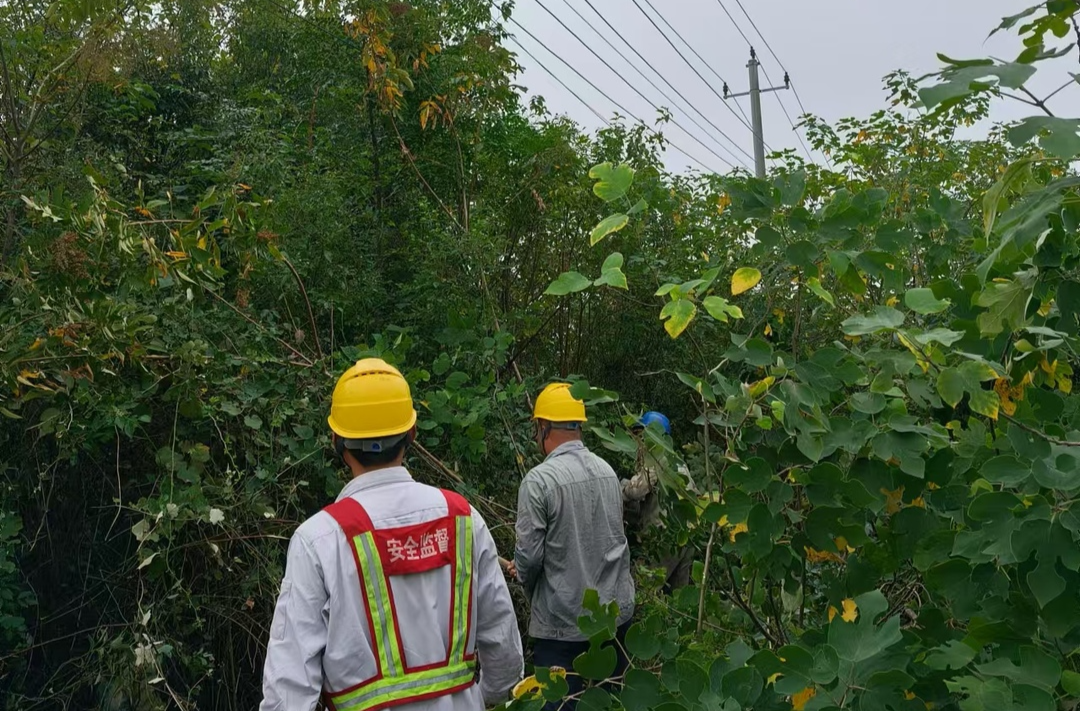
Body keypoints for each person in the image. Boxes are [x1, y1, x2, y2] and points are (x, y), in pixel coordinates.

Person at [261, 358, 523, 711]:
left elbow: (289, 692)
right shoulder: (462, 520)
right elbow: (503, 649)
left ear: (337, 441)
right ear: (412, 434)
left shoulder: (319, 540)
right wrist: (483, 698)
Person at [513, 383, 634, 707]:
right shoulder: (607, 472)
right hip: (613, 621)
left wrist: (521, 574)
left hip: (562, 628)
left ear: (542, 427)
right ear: (579, 426)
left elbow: (529, 557)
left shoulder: (539, 481)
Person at [622, 411, 694, 594]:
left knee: (641, 590)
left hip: (663, 538)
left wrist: (618, 487)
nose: (638, 441)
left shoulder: (657, 459)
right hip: (686, 537)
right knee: (678, 596)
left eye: (641, 435)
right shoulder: (678, 462)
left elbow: (636, 490)